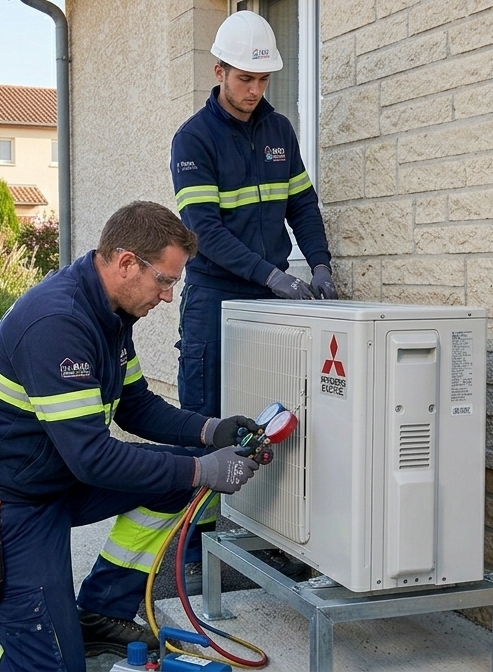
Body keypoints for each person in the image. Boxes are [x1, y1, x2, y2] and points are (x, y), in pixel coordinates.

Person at [0, 201, 266, 672]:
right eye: (165, 280)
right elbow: (94, 459)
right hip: (3, 504)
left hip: (52, 477)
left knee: (177, 479)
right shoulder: (60, 324)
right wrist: (204, 467)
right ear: (128, 263)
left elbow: (136, 406)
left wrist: (211, 431)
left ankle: (99, 613)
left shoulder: (111, 315)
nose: (168, 296)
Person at [169, 9, 335, 588]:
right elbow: (204, 233)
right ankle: (196, 548)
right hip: (217, 298)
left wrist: (319, 264)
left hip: (271, 300)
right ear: (219, 71)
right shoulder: (193, 139)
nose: (255, 90)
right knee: (207, 418)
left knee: (269, 417)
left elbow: (304, 207)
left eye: (263, 80)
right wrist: (273, 275)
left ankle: (261, 533)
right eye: (245, 79)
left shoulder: (280, 131)